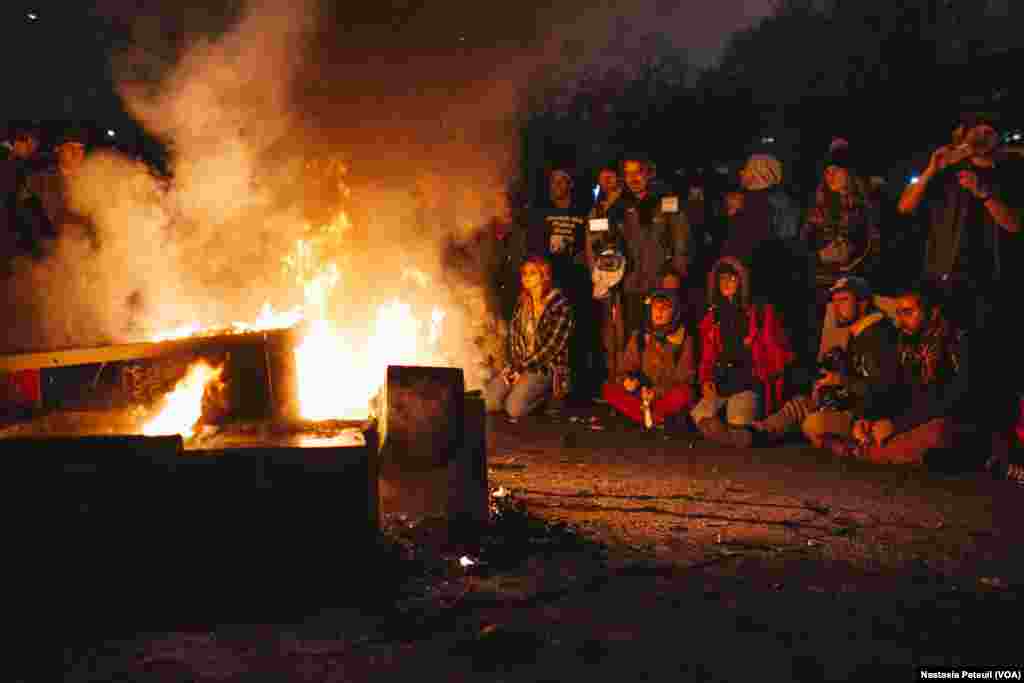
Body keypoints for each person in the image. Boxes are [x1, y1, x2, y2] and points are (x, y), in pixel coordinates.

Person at [817, 282, 970, 466]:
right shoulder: (907, 343)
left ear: (933, 312)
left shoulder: (957, 344)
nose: (900, 321)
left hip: (955, 423)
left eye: (907, 312)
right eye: (898, 313)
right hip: (913, 421)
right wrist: (870, 419)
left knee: (939, 432)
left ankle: (864, 453)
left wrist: (897, 425)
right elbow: (899, 393)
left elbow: (952, 401)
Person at [691, 256, 794, 447]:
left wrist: (759, 363)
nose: (726, 283)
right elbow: (708, 355)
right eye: (722, 279)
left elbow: (779, 355)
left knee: (738, 424)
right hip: (723, 382)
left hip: (748, 382)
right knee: (699, 415)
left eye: (732, 278)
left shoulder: (761, 313)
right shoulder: (715, 316)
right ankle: (729, 433)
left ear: (742, 281)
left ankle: (737, 433)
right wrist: (706, 380)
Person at [795, 277, 902, 449]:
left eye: (844, 300)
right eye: (834, 301)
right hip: (849, 406)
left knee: (814, 424)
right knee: (798, 405)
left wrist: (841, 381)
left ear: (862, 303)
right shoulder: (857, 333)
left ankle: (853, 448)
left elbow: (883, 390)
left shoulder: (878, 336)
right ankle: (756, 431)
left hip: (867, 418)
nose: (837, 307)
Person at [803, 139, 881, 357]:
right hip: (823, 286)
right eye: (827, 171)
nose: (830, 176)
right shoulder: (819, 207)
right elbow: (805, 244)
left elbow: (865, 247)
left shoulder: (866, 205)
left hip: (856, 288)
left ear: (850, 173)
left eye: (836, 170)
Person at [610, 156, 693, 342]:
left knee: (661, 337)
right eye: (628, 173)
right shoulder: (619, 206)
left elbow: (682, 241)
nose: (633, 178)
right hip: (631, 283)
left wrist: (675, 272)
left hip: (661, 282)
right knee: (633, 335)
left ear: (649, 174)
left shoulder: (667, 201)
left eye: (638, 172)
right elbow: (612, 245)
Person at [484, 255, 574, 419]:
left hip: (546, 367)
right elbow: (513, 339)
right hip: (522, 365)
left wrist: (521, 369)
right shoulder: (523, 303)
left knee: (514, 408)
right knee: (489, 401)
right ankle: (522, 391)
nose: (526, 277)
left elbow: (550, 349)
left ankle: (549, 397)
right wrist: (512, 369)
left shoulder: (559, 305)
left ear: (544, 276)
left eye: (532, 273)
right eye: (524, 273)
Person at [602, 288, 695, 430]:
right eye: (655, 307)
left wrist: (656, 392)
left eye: (665, 308)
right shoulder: (640, 336)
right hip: (641, 394)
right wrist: (628, 380)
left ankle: (647, 416)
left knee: (684, 394)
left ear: (674, 312)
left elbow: (684, 378)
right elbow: (626, 367)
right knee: (609, 388)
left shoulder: (683, 340)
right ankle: (654, 418)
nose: (659, 311)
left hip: (663, 395)